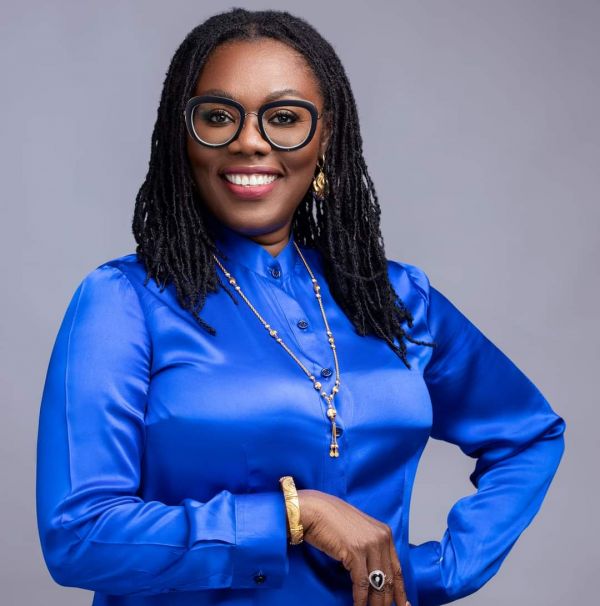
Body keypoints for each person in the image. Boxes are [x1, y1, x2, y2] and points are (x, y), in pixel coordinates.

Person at [35, 8, 566, 606]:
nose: (249, 141)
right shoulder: (124, 301)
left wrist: (439, 571)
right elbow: (77, 535)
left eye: (285, 118)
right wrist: (294, 516)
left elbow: (528, 434)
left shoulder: (395, 298)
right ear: (183, 137)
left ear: (325, 138)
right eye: (218, 116)